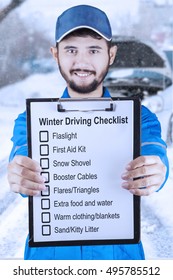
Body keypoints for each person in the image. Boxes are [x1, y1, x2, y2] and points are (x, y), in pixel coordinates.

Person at [7, 5, 168, 260]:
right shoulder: (31, 121)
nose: (82, 62)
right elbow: (22, 155)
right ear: (55, 54)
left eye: (93, 50)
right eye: (71, 50)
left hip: (118, 261)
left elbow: (154, 150)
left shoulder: (138, 118)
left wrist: (156, 169)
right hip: (49, 263)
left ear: (111, 55)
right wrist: (19, 172)